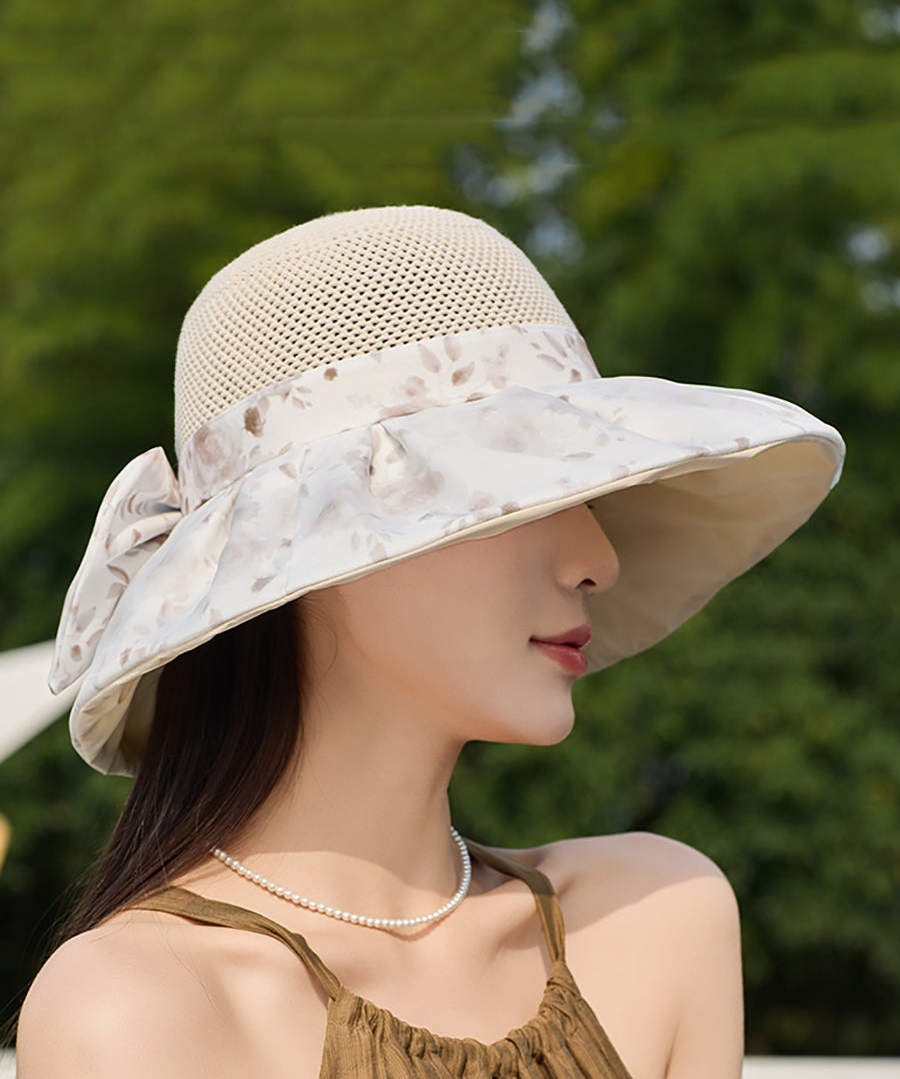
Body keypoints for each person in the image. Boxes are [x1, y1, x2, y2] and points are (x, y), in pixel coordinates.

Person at [16, 206, 843, 1078]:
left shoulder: (659, 918)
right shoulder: (139, 1010)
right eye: (518, 493)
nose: (599, 559)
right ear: (320, 540)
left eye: (587, 494)